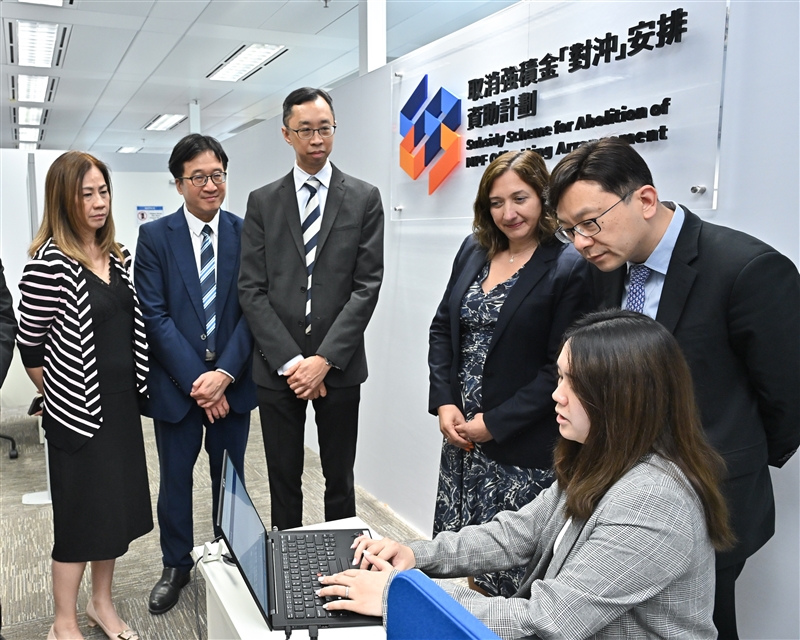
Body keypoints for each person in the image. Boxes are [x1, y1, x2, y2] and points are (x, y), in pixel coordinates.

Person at [319, 310, 735, 639]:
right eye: (560, 377)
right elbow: (515, 534)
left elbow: (548, 620)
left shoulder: (652, 502)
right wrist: (418, 555)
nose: (556, 394)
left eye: (573, 382)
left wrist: (399, 595)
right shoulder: (602, 459)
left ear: (622, 397)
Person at [546, 137, 800, 638]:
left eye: (590, 223)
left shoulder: (746, 269)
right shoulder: (602, 268)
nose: (581, 243)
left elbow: (788, 398)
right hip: (615, 492)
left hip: (712, 498)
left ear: (644, 199)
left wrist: (719, 459)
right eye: (569, 230)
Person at [428, 150, 593, 597]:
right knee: (465, 556)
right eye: (496, 202)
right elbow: (443, 328)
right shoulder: (474, 249)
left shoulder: (568, 265)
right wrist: (444, 401)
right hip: (463, 439)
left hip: (521, 445)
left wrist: (495, 423)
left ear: (543, 197)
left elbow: (560, 367)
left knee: (511, 578)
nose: (508, 213)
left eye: (520, 199)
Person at [16, 151, 152, 640]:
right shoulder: (48, 265)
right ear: (63, 200)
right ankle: (63, 622)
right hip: (77, 413)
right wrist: (59, 393)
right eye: (86, 194)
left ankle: (101, 604)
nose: (99, 202)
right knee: (79, 521)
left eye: (103, 191)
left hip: (120, 407)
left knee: (112, 515)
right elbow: (30, 345)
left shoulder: (117, 256)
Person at [238, 87, 384, 531]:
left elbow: (366, 287)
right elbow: (251, 289)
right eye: (306, 130)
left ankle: (344, 564)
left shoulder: (364, 197)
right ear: (287, 134)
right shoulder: (263, 201)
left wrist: (323, 360)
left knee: (340, 479)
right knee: (283, 479)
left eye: (325, 128)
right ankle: (288, 560)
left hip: (339, 367)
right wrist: (292, 361)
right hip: (277, 368)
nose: (317, 139)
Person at [134, 134, 257, 615]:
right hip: (176, 388)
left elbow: (253, 310)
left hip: (233, 383)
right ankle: (176, 564)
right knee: (175, 480)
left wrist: (224, 373)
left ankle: (231, 555)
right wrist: (199, 383)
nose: (210, 185)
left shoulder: (247, 233)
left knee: (231, 479)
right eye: (199, 177)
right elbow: (155, 316)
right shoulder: (155, 237)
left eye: (217, 175)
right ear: (179, 183)